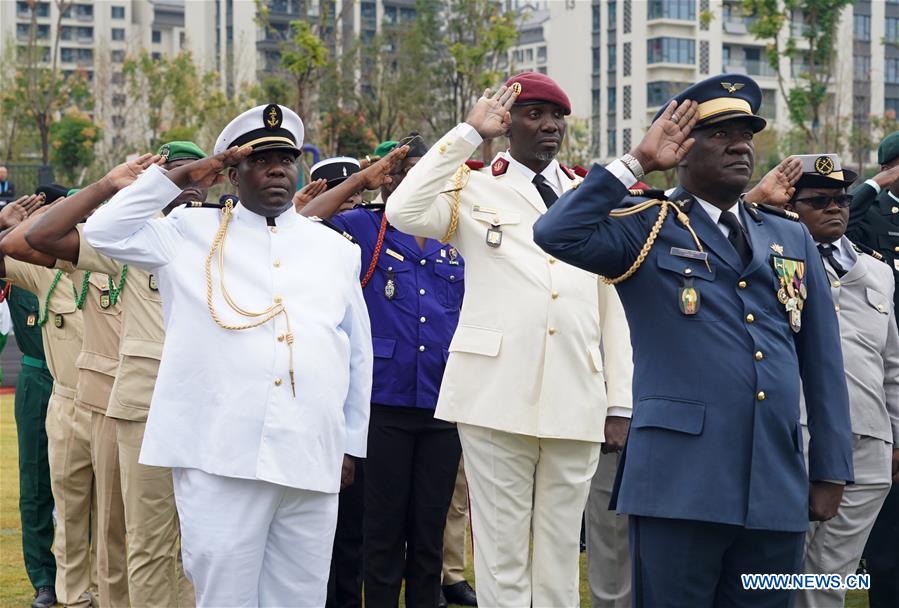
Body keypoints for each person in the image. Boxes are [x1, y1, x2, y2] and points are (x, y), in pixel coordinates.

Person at [533, 73, 854, 608]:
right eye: (719, 134)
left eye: (746, 133)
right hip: (680, 485)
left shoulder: (788, 234)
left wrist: (830, 467)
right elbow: (556, 233)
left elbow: (821, 360)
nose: (740, 145)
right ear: (680, 150)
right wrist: (636, 162)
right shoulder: (649, 225)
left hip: (774, 481)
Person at [82, 104, 372, 607]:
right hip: (219, 456)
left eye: (287, 158)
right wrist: (179, 178)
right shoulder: (187, 234)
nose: (278, 168)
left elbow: (355, 354)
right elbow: (104, 232)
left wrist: (349, 443)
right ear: (231, 173)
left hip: (311, 452)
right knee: (225, 596)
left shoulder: (335, 250)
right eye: (261, 160)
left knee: (300, 596)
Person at [385, 73, 634, 607]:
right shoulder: (472, 184)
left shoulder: (592, 195)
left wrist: (620, 401)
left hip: (576, 394)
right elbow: (402, 211)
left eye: (556, 117)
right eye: (533, 115)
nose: (548, 126)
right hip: (495, 394)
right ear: (508, 124)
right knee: (501, 557)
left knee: (562, 554)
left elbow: (610, 303)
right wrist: (468, 134)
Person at [27, 144, 207, 607]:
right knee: (137, 536)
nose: (185, 188)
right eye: (173, 178)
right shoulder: (135, 242)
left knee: (205, 542)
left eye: (193, 177)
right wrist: (108, 185)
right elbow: (38, 238)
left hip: (209, 409)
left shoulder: (223, 239)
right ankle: (76, 593)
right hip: (133, 403)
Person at [306, 134, 466, 608]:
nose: (412, 177)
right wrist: (361, 179)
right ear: (389, 177)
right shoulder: (363, 226)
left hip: (442, 403)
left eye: (425, 170)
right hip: (384, 403)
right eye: (403, 170)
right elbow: (304, 223)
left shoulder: (455, 232)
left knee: (428, 536)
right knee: (381, 534)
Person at [763, 153, 899, 608]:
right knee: (776, 566)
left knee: (833, 573)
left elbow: (893, 368)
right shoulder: (768, 257)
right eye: (818, 200)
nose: (835, 208)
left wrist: (896, 437)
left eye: (841, 199)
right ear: (790, 208)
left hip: (868, 441)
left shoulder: (877, 271)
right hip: (794, 433)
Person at [1, 192, 99, 608]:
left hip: (104, 388)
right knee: (39, 484)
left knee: (108, 496)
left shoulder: (110, 266)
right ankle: (45, 579)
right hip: (42, 377)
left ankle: (101, 581)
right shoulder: (35, 268)